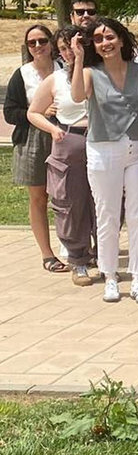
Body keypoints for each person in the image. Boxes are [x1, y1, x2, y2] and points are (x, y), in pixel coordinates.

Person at [70, 18, 138, 303]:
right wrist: (79, 58)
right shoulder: (92, 73)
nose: (106, 43)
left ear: (121, 39)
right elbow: (77, 94)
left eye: (110, 37)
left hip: (137, 149)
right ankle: (111, 277)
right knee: (107, 215)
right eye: (99, 39)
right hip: (103, 150)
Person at [26, 27, 95, 285]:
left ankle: (101, 255)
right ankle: (78, 261)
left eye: (72, 47)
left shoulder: (98, 73)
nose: (68, 53)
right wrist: (52, 127)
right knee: (70, 203)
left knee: (102, 204)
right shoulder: (54, 80)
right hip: (68, 141)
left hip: (99, 141)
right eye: (63, 49)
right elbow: (33, 112)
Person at [6, 24, 61, 272]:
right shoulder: (22, 74)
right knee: (38, 199)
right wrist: (37, 113)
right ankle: (47, 254)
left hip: (64, 137)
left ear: (51, 43)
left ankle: (77, 249)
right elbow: (10, 112)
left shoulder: (65, 69)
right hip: (32, 141)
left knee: (70, 197)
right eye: (32, 43)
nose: (38, 46)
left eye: (42, 40)